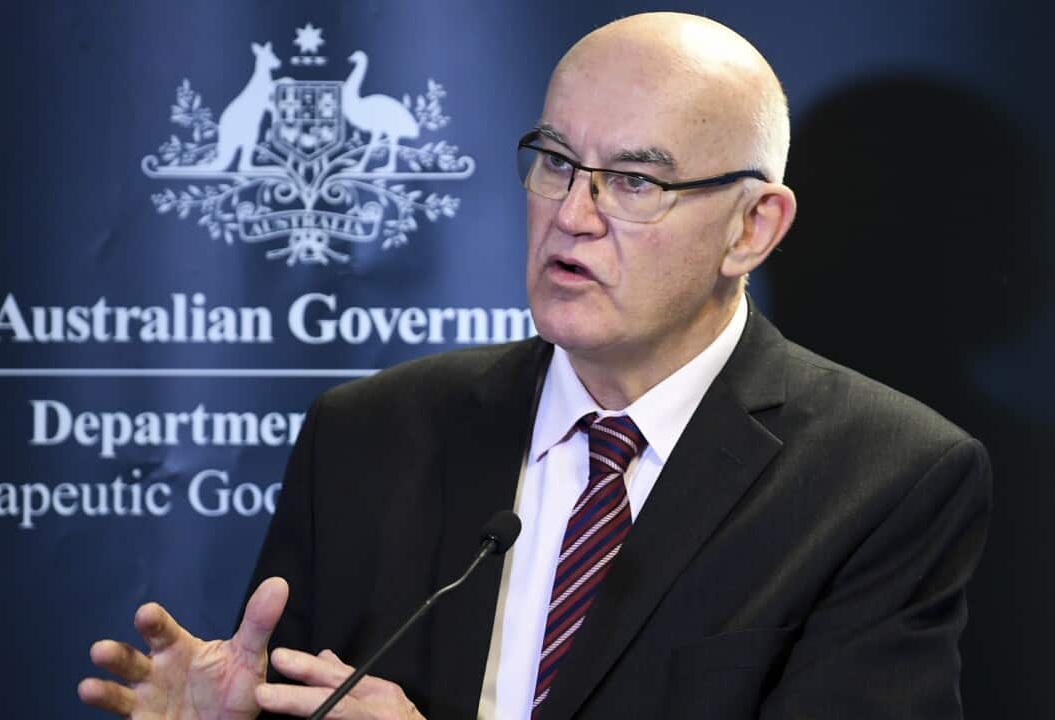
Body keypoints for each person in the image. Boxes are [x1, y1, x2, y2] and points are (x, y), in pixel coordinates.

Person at [78, 12, 991, 719]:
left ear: (752, 228)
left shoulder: (885, 480)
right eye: (555, 161)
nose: (572, 214)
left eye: (635, 181)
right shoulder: (365, 436)